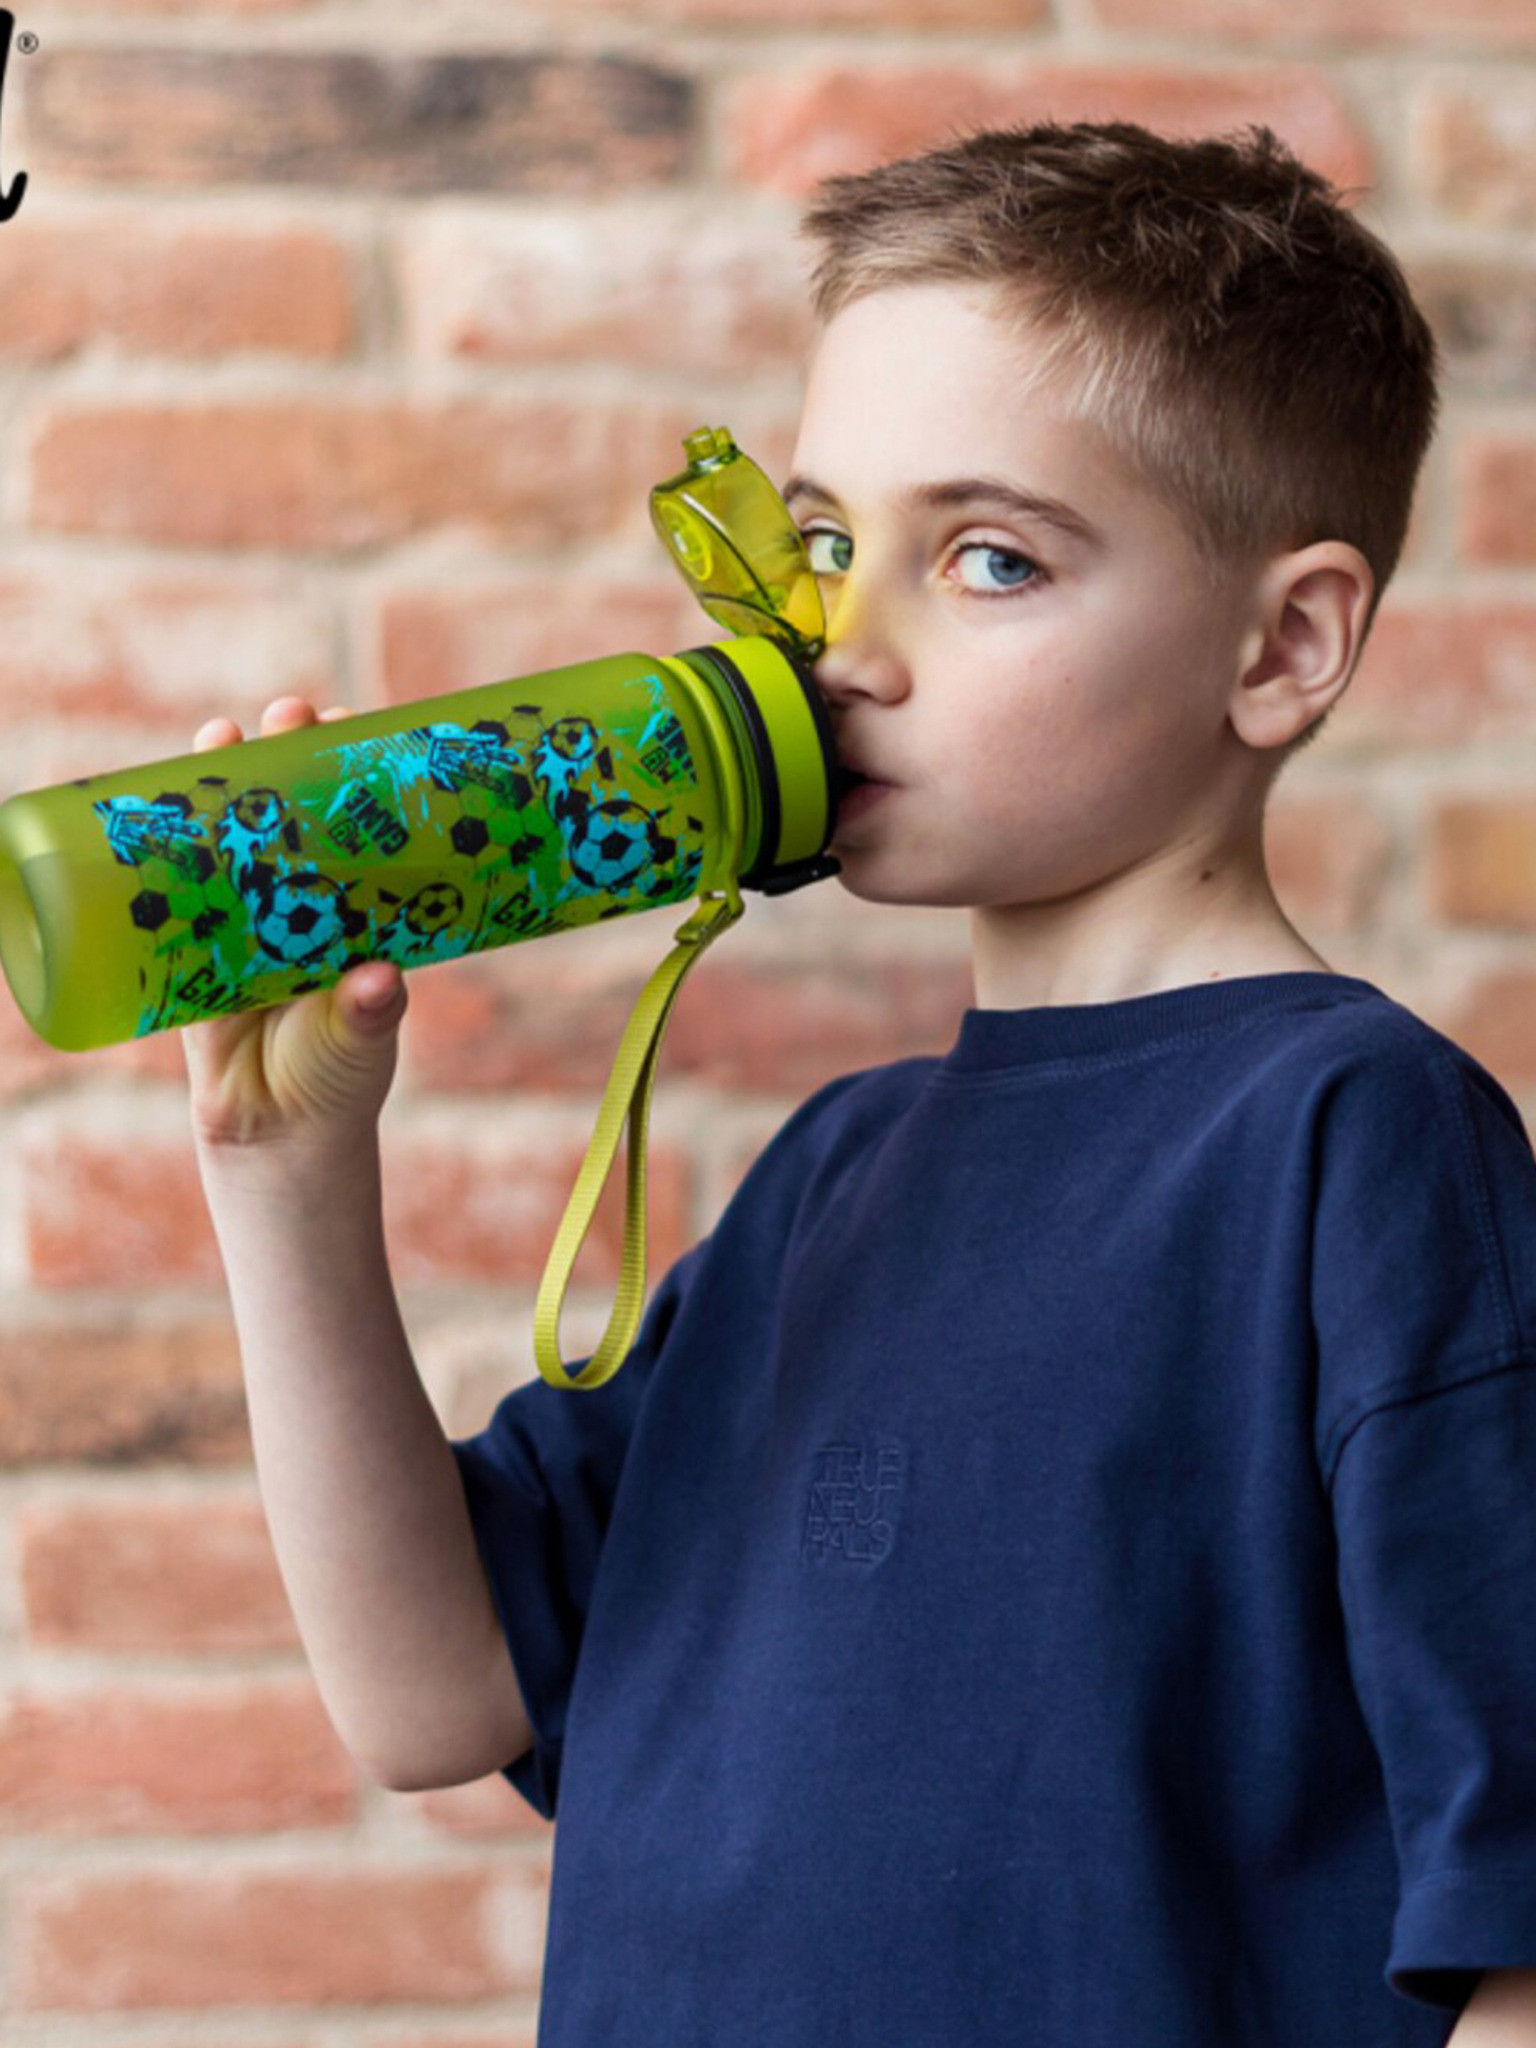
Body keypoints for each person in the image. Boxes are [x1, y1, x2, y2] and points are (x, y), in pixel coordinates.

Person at [184, 120, 1536, 2046]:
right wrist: (288, 1176)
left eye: (989, 559)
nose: (848, 651)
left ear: (1285, 644)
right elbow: (434, 1696)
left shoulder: (1353, 1140)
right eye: (822, 547)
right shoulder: (832, 1174)